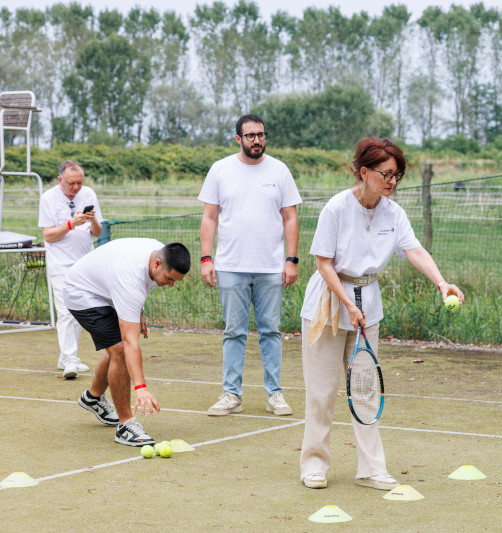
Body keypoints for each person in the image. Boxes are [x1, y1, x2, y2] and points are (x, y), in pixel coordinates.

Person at [298, 137, 465, 490]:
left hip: (367, 304)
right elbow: (324, 264)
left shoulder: (394, 212)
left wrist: (441, 282)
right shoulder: (337, 208)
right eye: (386, 174)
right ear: (364, 172)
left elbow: (414, 250)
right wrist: (347, 302)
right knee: (322, 392)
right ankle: (313, 466)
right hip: (329, 302)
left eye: (397, 175)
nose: (392, 181)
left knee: (365, 389)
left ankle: (372, 470)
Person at [199, 113, 302, 417]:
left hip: (272, 267)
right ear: (238, 139)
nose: (257, 140)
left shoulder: (280, 170)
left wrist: (291, 260)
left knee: (271, 331)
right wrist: (206, 259)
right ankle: (232, 394)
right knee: (234, 332)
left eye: (261, 135)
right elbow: (209, 217)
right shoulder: (220, 170)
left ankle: (275, 394)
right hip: (230, 266)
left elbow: (290, 217)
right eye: (250, 136)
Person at [65, 239, 190, 446]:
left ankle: (93, 397)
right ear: (157, 264)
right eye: (169, 279)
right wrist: (140, 387)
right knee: (121, 349)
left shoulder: (160, 253)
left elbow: (141, 286)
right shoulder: (130, 277)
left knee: (119, 348)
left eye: (175, 281)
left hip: (107, 288)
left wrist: (137, 312)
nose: (170, 285)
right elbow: (130, 341)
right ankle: (125, 424)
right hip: (82, 293)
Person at [38, 160, 103, 379]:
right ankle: (70, 359)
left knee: (79, 310)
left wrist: (91, 220)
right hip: (60, 263)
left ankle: (65, 357)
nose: (76, 187)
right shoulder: (48, 198)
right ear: (60, 180)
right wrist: (71, 224)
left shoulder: (89, 194)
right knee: (65, 311)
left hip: (85, 263)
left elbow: (97, 231)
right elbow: (48, 235)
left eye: (79, 182)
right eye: (71, 183)